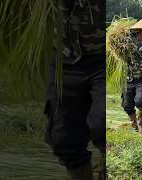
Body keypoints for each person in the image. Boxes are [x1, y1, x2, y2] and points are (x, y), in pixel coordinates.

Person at [43, 0, 105, 179]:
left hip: (103, 57)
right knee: (63, 139)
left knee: (102, 125)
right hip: (65, 57)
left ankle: (106, 163)